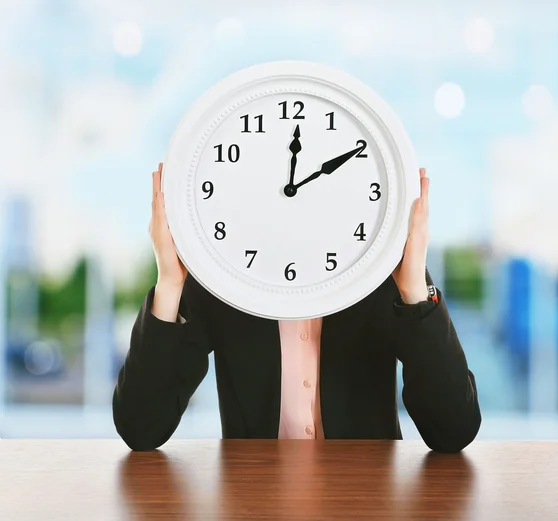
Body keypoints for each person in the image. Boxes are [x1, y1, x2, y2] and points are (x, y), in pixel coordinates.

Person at [112, 163, 481, 452]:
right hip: (254, 504)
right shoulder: (223, 277)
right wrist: (171, 282)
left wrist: (415, 290)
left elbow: (454, 430)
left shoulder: (382, 269)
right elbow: (140, 428)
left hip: (367, 500)